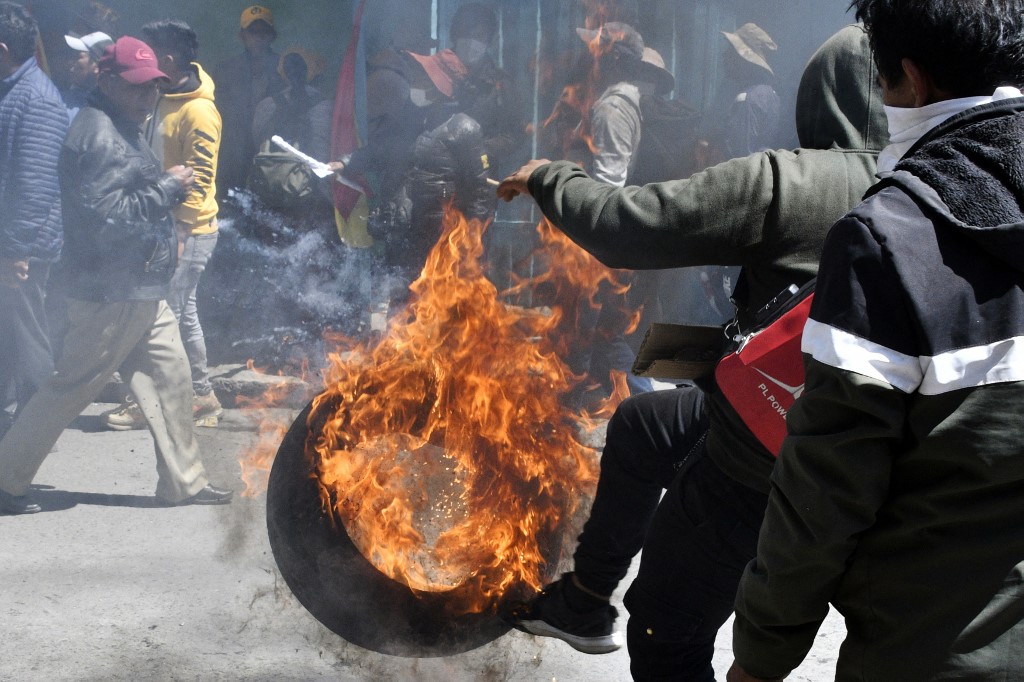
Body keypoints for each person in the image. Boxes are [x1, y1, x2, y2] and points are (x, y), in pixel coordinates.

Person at [496, 25, 887, 679]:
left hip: (759, 466)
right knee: (643, 423)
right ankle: (586, 601)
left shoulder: (792, 183)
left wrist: (547, 176)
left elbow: (625, 227)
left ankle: (624, 617)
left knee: (665, 631)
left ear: (818, 98)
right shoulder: (926, 189)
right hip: (860, 459)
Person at [728, 2, 1024, 680]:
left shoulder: (888, 237)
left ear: (911, 82)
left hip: (929, 651)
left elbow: (825, 489)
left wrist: (763, 651)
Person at [0, 36, 232, 516]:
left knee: (172, 378)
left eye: (153, 89)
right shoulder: (99, 133)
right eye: (137, 88)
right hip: (110, 290)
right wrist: (168, 186)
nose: (148, 98)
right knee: (72, 387)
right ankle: (5, 479)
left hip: (139, 286)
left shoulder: (120, 124)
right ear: (106, 82)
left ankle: (183, 483)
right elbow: (110, 217)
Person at [99, 19, 224, 432]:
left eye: (152, 55)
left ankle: (191, 396)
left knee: (170, 312)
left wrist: (184, 232)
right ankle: (195, 395)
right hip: (157, 225)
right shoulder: (161, 96)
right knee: (171, 310)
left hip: (188, 231)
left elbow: (201, 177)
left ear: (168, 60)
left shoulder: (199, 110)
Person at [0, 1, 69, 433]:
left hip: (21, 251)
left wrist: (15, 251)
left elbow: (35, 184)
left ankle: (31, 444)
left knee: (28, 349)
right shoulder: (12, 89)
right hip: (10, 244)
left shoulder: (38, 98)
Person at [212, 5, 283, 199]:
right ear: (242, 36)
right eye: (253, 32)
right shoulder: (225, 70)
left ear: (272, 36)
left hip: (271, 155)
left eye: (264, 32)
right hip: (232, 155)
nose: (258, 37)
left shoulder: (285, 70)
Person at [62, 30, 113, 121]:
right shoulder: (64, 96)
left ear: (96, 66)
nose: (71, 61)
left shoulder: (102, 111)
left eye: (78, 56)